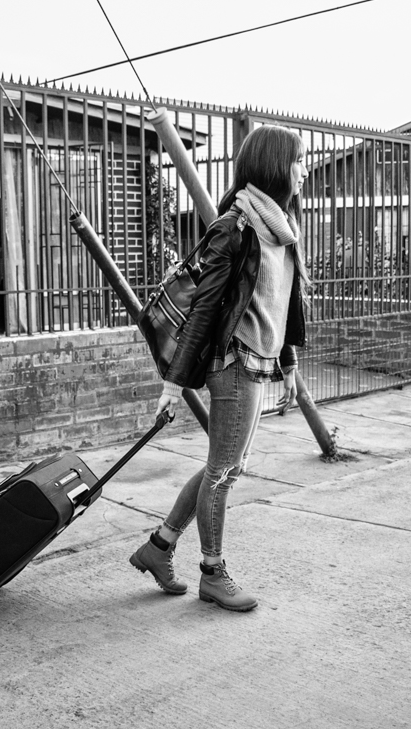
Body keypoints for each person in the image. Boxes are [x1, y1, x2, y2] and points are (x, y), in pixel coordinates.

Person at [129, 125, 310, 612]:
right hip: (232, 364)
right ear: (275, 166)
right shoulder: (236, 227)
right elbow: (205, 309)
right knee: (225, 471)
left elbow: (283, 304)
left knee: (223, 468)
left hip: (260, 362)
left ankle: (159, 547)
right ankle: (212, 572)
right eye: (298, 160)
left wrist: (288, 362)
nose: (304, 169)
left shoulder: (282, 226)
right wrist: (174, 383)